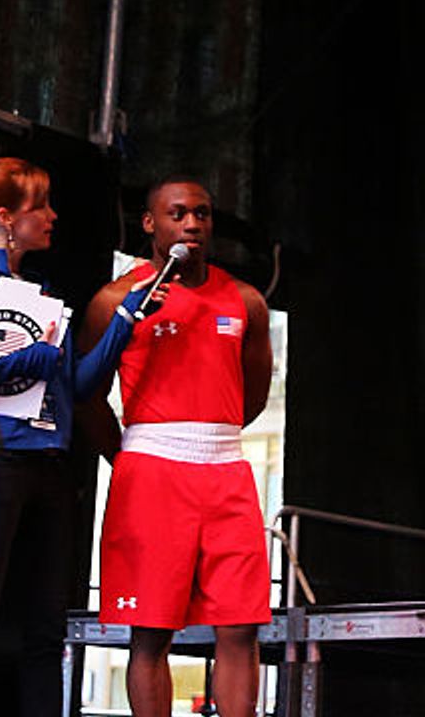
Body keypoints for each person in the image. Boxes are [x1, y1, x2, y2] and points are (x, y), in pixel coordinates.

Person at [0, 157, 160, 717]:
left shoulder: (43, 291)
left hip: (51, 468)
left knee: (47, 629)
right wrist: (15, 362)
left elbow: (76, 383)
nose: (52, 217)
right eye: (40, 207)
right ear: (6, 218)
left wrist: (124, 321)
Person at [78, 178, 274, 717]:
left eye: (203, 214)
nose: (192, 224)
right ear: (151, 223)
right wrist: (130, 457)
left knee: (240, 625)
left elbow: (249, 397)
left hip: (225, 466)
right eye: (178, 213)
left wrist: (205, 431)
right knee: (151, 631)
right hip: (151, 469)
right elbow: (86, 395)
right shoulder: (116, 300)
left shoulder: (247, 300)